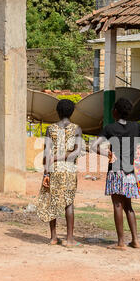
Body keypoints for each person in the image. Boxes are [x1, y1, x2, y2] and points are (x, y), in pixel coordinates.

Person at [92, 98, 140, 250]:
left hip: (115, 172)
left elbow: (94, 146)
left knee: (117, 205)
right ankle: (135, 240)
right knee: (128, 206)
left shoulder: (109, 128)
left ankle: (121, 242)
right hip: (130, 172)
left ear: (115, 111)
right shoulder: (136, 126)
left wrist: (106, 153)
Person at [38, 99, 82, 247]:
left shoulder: (50, 129)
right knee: (69, 203)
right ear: (72, 112)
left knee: (53, 202)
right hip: (69, 169)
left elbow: (46, 152)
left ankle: (54, 238)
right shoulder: (77, 128)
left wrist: (46, 173)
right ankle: (69, 239)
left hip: (54, 168)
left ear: (58, 111)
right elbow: (76, 151)